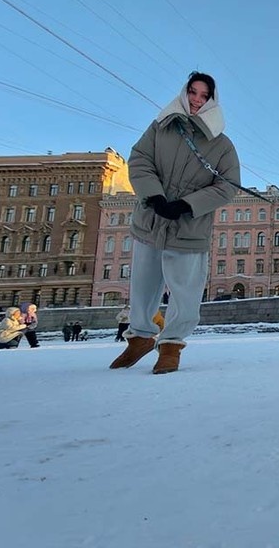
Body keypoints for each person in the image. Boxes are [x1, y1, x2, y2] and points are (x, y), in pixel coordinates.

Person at [109, 72, 240, 374]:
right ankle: (140, 338)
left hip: (188, 227)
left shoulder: (222, 144)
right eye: (193, 92)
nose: (196, 100)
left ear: (212, 101)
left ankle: (171, 345)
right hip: (151, 220)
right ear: (184, 93)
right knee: (142, 285)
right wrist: (154, 196)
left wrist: (187, 205)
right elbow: (140, 159)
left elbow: (228, 185)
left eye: (204, 96)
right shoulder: (160, 127)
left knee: (185, 291)